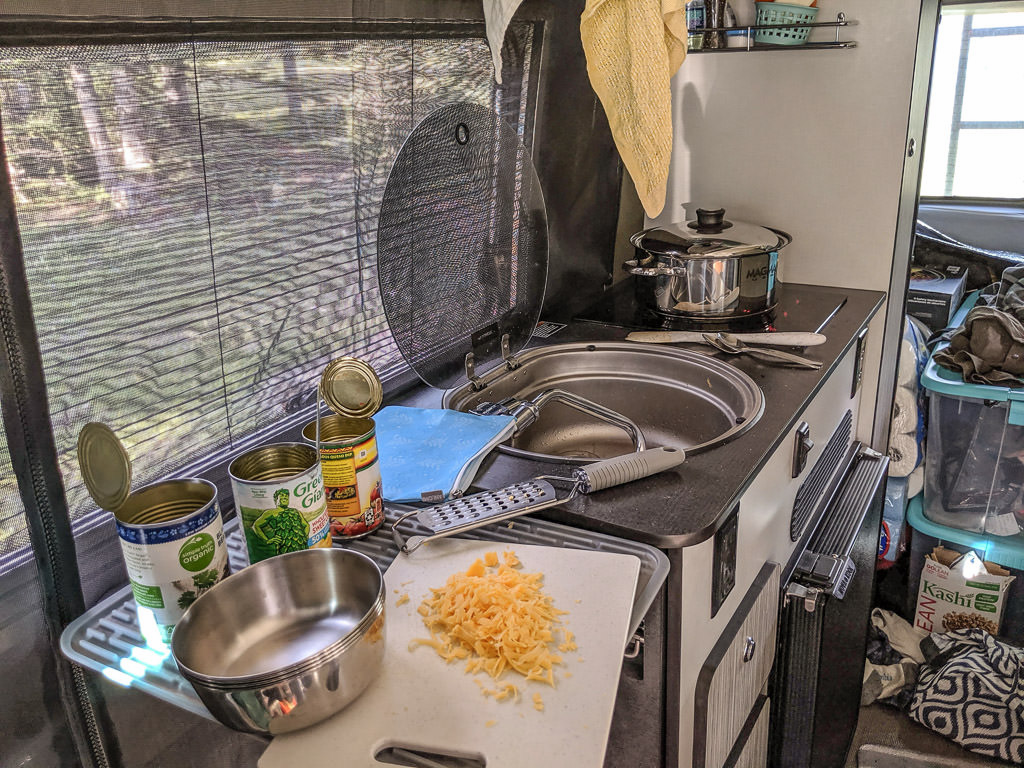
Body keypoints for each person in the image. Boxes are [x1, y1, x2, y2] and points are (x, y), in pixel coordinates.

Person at [251, 488, 309, 555]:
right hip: (284, 548)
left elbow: (306, 525)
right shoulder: (271, 512)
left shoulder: (295, 511)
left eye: (286, 496)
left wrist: (304, 537)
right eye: (282, 495)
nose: (285, 497)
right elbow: (256, 525)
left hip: (302, 547)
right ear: (276, 499)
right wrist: (267, 540)